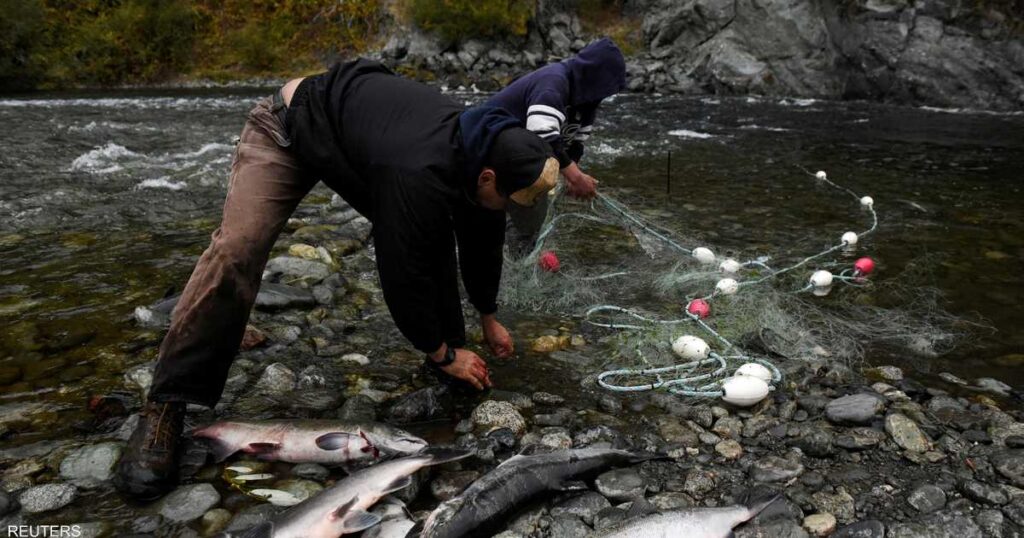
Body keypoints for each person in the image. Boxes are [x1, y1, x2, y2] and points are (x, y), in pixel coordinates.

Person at [113, 58, 559, 499]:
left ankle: (444, 352)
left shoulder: (485, 146)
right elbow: (400, 270)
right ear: (487, 175)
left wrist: (487, 315)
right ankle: (166, 404)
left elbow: (481, 235)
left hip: (356, 144)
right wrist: (442, 353)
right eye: (509, 196)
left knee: (440, 227)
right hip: (288, 128)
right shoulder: (417, 169)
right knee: (238, 251)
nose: (511, 208)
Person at [486, 38, 626, 250]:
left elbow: (575, 145)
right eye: (606, 87)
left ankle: (521, 252)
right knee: (509, 223)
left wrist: (573, 173)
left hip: (521, 160)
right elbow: (542, 135)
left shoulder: (587, 103)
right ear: (592, 76)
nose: (606, 95)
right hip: (488, 150)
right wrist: (575, 176)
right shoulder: (553, 83)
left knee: (531, 219)